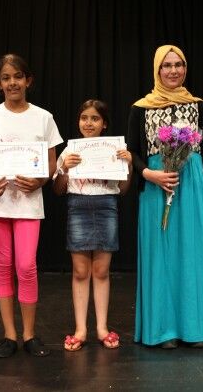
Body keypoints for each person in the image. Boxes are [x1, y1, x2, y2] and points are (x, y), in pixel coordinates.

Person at [127, 44, 203, 349]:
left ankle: (196, 329)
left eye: (178, 64)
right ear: (157, 69)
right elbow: (132, 152)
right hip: (157, 185)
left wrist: (201, 178)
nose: (173, 70)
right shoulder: (141, 108)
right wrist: (149, 174)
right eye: (166, 65)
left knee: (193, 253)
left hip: (191, 187)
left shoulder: (198, 105)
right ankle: (163, 330)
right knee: (161, 255)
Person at [0, 54, 62, 358]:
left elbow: (51, 163)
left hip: (27, 203)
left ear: (28, 80)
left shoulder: (43, 117)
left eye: (18, 77)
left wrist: (40, 181)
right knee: (3, 266)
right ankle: (9, 335)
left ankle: (30, 334)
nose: (13, 82)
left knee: (26, 266)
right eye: (6, 78)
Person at [53, 99, 132, 351]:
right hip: (78, 206)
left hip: (106, 206)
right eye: (84, 118)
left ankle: (101, 328)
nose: (89, 123)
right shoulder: (69, 151)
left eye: (95, 118)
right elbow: (58, 190)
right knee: (80, 271)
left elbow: (123, 189)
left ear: (104, 124)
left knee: (101, 270)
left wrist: (129, 164)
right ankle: (81, 329)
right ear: (78, 121)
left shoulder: (117, 149)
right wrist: (64, 169)